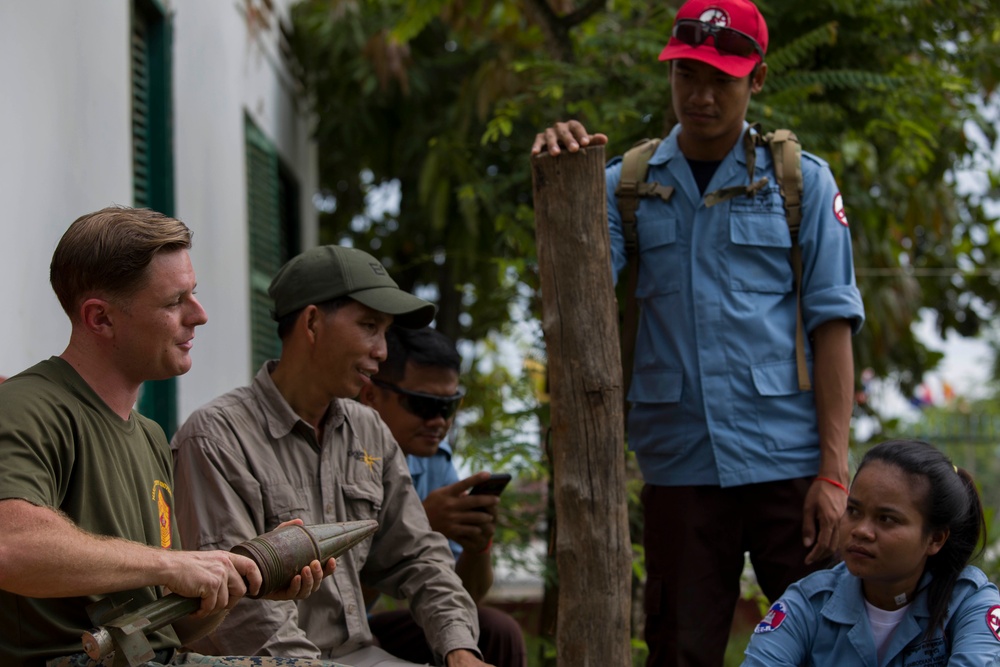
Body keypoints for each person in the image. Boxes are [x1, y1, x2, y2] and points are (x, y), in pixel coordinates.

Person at [531, 0, 866, 664]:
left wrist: (833, 472)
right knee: (681, 649)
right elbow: (574, 292)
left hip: (790, 469)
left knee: (829, 645)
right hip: (680, 468)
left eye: (721, 79)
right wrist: (556, 174)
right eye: (687, 75)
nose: (701, 95)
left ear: (758, 80)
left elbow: (832, 325)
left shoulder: (800, 181)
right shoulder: (623, 186)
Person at [0, 206, 333, 667]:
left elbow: (170, 630)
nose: (199, 315)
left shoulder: (153, 437)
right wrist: (172, 564)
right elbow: (11, 547)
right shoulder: (26, 407)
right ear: (100, 319)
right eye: (174, 301)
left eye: (193, 294)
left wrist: (237, 580)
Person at [171, 245, 491, 667]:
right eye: (369, 326)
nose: (382, 351)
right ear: (312, 322)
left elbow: (420, 556)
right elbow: (242, 615)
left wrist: (460, 650)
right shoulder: (216, 438)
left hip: (358, 655)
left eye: (385, 333)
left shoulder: (369, 431)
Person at [741, 439, 1000, 666]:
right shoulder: (808, 605)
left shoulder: (969, 604)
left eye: (886, 519)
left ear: (935, 538)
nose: (861, 531)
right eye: (853, 511)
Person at [358, 326, 528, 667]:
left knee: (495, 630)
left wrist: (479, 544)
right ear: (371, 394)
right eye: (423, 404)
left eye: (449, 406)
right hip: (323, 629)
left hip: (373, 625)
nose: (438, 421)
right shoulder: (343, 456)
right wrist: (417, 529)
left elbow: (466, 598)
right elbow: (321, 602)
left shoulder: (434, 460)